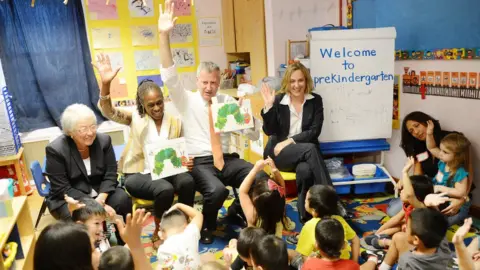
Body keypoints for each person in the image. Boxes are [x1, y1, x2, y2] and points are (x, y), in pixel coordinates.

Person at [158, 0, 266, 244]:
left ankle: (239, 209)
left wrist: (247, 118)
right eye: (204, 82)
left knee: (257, 175)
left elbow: (251, 135)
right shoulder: (186, 100)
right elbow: (169, 75)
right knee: (217, 191)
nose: (209, 87)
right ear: (197, 81)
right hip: (201, 162)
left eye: (214, 83)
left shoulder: (226, 101)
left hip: (227, 159)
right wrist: (164, 36)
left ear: (219, 82)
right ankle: (206, 225)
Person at [94, 53, 195, 243]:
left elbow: (180, 152)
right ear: (142, 105)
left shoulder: (175, 122)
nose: (157, 108)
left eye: (159, 103)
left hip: (167, 171)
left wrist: (186, 161)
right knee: (164, 189)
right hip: (138, 174)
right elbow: (108, 111)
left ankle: (184, 224)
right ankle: (161, 229)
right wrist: (106, 84)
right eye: (151, 105)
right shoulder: (135, 118)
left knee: (187, 181)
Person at [45, 104, 132, 239]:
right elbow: (62, 188)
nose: (90, 132)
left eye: (93, 126)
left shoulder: (104, 141)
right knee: (75, 216)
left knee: (122, 200)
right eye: (83, 129)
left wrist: (101, 199)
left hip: (100, 191)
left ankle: (122, 241)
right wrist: (94, 205)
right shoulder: (56, 150)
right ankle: (89, 250)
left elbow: (110, 173)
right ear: (70, 132)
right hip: (70, 197)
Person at [260, 62, 332, 223]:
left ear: (306, 81)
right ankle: (331, 201)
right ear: (287, 82)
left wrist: (289, 141)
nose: (296, 85)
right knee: (311, 148)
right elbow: (269, 131)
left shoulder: (315, 101)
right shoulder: (278, 100)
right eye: (292, 81)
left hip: (300, 152)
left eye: (300, 80)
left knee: (305, 171)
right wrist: (269, 107)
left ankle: (304, 214)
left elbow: (314, 131)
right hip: (279, 155)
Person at [388, 111, 474, 217]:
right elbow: (418, 173)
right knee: (393, 211)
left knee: (429, 219)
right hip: (432, 190)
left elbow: (468, 170)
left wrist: (462, 198)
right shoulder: (419, 146)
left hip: (455, 193)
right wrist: (407, 181)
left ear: (427, 122)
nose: (416, 132)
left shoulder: (452, 140)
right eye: (411, 131)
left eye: (417, 126)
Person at [366, 157, 436, 249]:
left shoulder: (421, 208)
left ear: (415, 197)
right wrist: (378, 232)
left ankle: (387, 242)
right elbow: (396, 219)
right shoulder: (408, 205)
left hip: (419, 239)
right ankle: (379, 236)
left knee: (399, 236)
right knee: (398, 226)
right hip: (408, 229)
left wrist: (405, 172)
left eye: (404, 190)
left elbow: (409, 195)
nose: (401, 192)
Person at [292, 185, 359, 263]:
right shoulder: (339, 220)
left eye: (306, 201)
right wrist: (354, 262)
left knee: (290, 254)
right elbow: (356, 240)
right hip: (343, 264)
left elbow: (304, 256)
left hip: (321, 266)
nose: (304, 202)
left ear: (313, 210)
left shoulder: (309, 226)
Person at [371, 208, 453, 270]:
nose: (405, 227)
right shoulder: (444, 248)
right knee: (398, 236)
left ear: (416, 240)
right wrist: (434, 207)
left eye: (407, 228)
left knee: (398, 237)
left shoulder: (407, 260)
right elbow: (436, 223)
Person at [426, 120, 471, 225]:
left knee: (438, 224)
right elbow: (431, 147)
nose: (440, 154)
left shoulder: (460, 172)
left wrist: (440, 188)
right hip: (440, 196)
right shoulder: (444, 160)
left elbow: (461, 192)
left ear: (457, 156)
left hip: (455, 205)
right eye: (441, 150)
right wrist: (429, 133)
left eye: (445, 152)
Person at [239, 157, 286, 237]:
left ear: (254, 198)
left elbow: (242, 191)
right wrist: (274, 170)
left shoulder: (253, 217)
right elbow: (282, 187)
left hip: (255, 247)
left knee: (232, 242)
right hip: (273, 247)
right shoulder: (280, 209)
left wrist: (255, 170)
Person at [156, 203, 211, 269]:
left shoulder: (162, 249)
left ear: (161, 234)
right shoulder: (190, 233)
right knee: (209, 256)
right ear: (186, 226)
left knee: (159, 266)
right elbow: (198, 215)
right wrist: (178, 205)